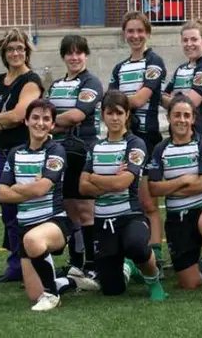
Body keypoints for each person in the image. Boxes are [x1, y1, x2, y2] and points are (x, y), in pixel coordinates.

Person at [78, 90, 167, 299]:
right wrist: (111, 181)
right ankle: (131, 269)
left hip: (129, 216)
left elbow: (124, 182)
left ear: (127, 114)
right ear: (103, 115)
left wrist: (95, 178)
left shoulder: (135, 143)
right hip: (102, 222)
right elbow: (82, 187)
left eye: (119, 112)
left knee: (136, 246)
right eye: (110, 113)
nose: (115, 118)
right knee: (112, 290)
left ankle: (153, 280)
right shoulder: (96, 146)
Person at [0, 99, 74, 311]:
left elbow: (42, 189)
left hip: (54, 223)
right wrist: (32, 185)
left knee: (33, 240)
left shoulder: (56, 150)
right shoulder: (15, 153)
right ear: (26, 121)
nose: (40, 123)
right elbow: (2, 194)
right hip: (26, 227)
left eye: (46, 119)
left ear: (52, 125)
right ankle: (71, 281)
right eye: (35, 118)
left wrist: (19, 188)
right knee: (33, 294)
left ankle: (52, 295)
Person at [149, 96, 202, 304]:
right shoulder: (160, 149)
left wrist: (171, 188)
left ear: (193, 119)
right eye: (177, 115)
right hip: (177, 218)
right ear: (169, 118)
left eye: (186, 115)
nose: (181, 120)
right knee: (189, 283)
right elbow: (154, 188)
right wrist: (184, 180)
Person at [0, 28, 44, 284]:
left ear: (26, 52)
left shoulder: (31, 81)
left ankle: (31, 263)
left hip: (24, 155)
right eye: (10, 49)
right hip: (0, 153)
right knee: (7, 211)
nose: (15, 53)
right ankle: (16, 266)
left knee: (25, 210)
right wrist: (1, 121)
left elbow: (20, 115)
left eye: (20, 48)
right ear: (4, 54)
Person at [109, 11, 166, 274]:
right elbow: (110, 103)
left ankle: (155, 253)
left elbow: (140, 99)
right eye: (130, 31)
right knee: (127, 197)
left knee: (147, 201)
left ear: (148, 33)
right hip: (123, 139)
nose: (135, 36)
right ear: (124, 34)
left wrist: (115, 105)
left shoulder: (154, 62)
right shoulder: (119, 67)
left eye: (140, 31)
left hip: (147, 137)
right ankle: (132, 251)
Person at [46, 34, 103, 287]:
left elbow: (77, 115)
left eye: (79, 52)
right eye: (69, 53)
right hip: (61, 152)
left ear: (86, 55)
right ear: (63, 56)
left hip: (84, 151)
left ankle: (93, 262)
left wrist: (48, 123)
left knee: (86, 210)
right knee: (70, 209)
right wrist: (52, 124)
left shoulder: (91, 82)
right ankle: (76, 261)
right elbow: (51, 117)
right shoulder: (56, 84)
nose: (74, 57)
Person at [162, 19, 202, 146]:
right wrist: (178, 98)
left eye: (194, 39)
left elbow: (192, 103)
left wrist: (173, 99)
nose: (189, 44)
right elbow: (163, 97)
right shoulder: (181, 69)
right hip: (179, 134)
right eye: (185, 40)